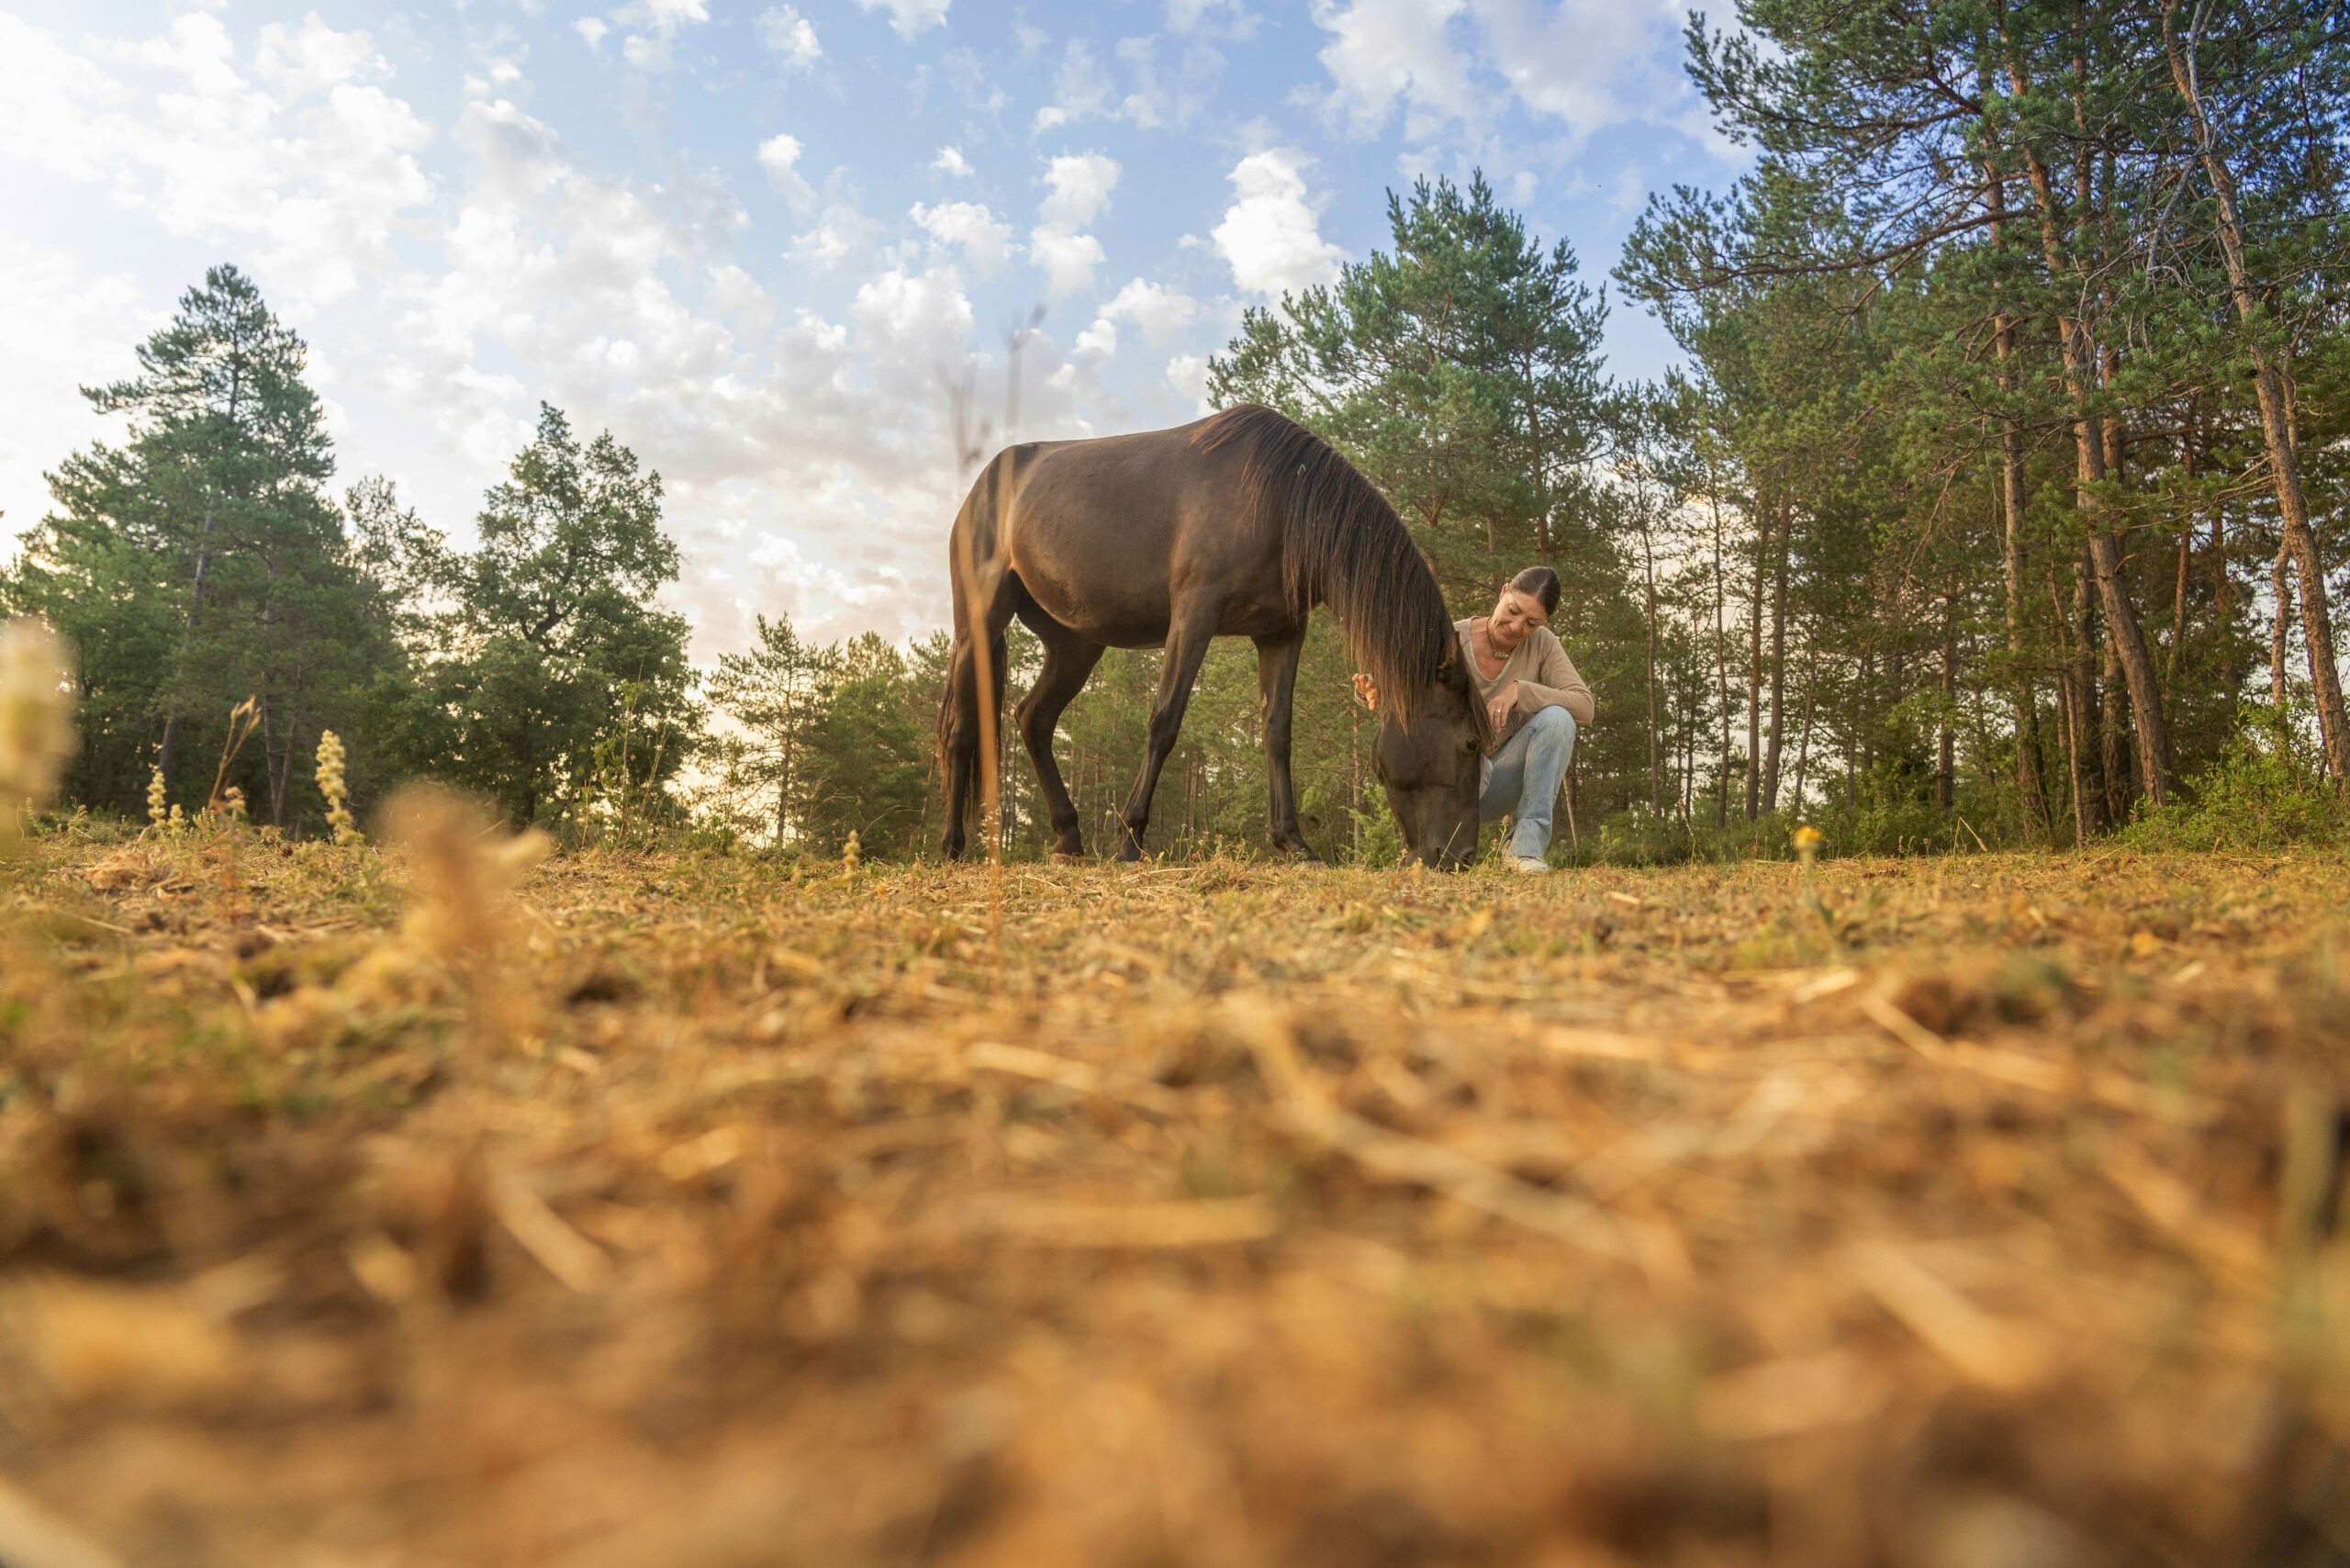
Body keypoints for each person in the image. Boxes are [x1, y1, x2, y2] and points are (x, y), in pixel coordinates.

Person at [1353, 565, 1593, 873]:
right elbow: (1400, 684)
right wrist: (1371, 690)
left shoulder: (1543, 645)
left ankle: (1523, 851)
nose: (1517, 626)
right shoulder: (1452, 641)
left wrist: (1520, 691)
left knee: (1559, 719)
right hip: (1448, 784)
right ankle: (1426, 850)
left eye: (1531, 623)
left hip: (1499, 780)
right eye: (1514, 610)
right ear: (1503, 592)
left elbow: (1585, 706)